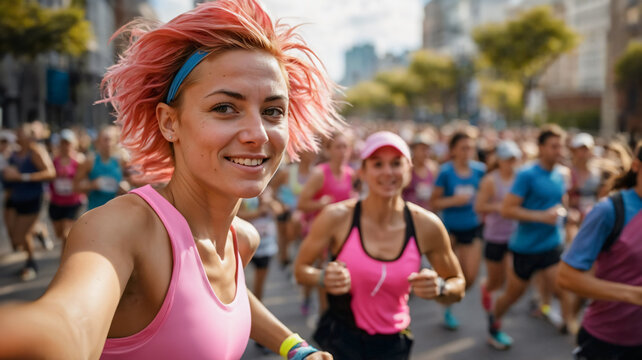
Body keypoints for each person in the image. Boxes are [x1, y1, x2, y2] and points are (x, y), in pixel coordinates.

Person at [0, 1, 339, 359]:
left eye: (273, 111)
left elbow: (219, 298)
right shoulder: (123, 228)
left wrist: (295, 347)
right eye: (225, 107)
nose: (258, 133)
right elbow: (68, 322)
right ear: (169, 122)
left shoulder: (242, 239)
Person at [295, 131, 465, 360]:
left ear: (408, 169)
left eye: (396, 163)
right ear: (363, 172)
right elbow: (301, 270)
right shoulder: (336, 217)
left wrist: (441, 288)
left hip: (393, 345)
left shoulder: (427, 226)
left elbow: (458, 285)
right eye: (377, 164)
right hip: (341, 338)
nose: (388, 172)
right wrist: (322, 278)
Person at [488, 124, 574, 350]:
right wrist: (541, 216)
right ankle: (493, 323)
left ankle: (572, 332)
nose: (559, 151)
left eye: (561, 146)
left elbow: (559, 201)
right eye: (554, 146)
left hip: (552, 244)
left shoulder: (560, 173)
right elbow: (507, 210)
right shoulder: (526, 174)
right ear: (541, 148)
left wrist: (567, 215)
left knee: (563, 289)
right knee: (512, 296)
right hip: (525, 248)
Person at [557, 141, 642, 360]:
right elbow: (566, 277)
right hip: (607, 341)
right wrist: (634, 294)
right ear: (636, 166)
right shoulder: (609, 210)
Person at [429, 130, 486, 330]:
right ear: (453, 150)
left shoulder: (480, 171)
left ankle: (449, 298)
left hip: (473, 228)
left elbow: (488, 196)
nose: (467, 152)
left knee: (470, 276)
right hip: (450, 230)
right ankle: (447, 307)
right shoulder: (445, 172)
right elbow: (434, 202)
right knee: (451, 274)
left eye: (470, 147)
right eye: (463, 148)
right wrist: (454, 200)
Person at [2, 123, 56, 281]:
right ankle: (38, 230)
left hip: (33, 198)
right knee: (14, 235)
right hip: (15, 197)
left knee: (21, 236)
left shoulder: (36, 152)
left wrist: (22, 177)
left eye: (20, 134)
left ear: (29, 136)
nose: (17, 137)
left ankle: (31, 264)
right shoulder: (14, 152)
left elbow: (50, 173)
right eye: (17, 133)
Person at [474, 140, 521, 314]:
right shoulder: (490, 181)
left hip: (515, 236)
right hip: (495, 236)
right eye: (508, 159)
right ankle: (487, 288)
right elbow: (479, 206)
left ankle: (497, 313)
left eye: (514, 159)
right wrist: (499, 207)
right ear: (499, 160)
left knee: (512, 277)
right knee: (496, 281)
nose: (511, 163)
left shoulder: (520, 178)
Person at [74, 126, 128, 211]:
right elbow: (75, 187)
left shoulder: (122, 161)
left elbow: (130, 182)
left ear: (115, 141)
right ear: (98, 142)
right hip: (95, 211)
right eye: (105, 140)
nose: (108, 143)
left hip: (116, 212)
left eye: (110, 140)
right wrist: (91, 185)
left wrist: (125, 186)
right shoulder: (89, 162)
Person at [49, 129, 85, 246]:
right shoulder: (53, 161)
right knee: (59, 234)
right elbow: (49, 177)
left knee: (66, 235)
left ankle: (63, 262)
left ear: (74, 144)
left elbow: (84, 179)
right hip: (56, 202)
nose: (66, 146)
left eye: (68, 143)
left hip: (73, 203)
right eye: (63, 143)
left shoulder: (79, 161)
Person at [402, 133, 439, 211]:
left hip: (427, 212)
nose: (426, 153)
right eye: (422, 149)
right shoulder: (406, 168)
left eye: (427, 149)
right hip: (408, 213)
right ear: (414, 150)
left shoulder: (433, 168)